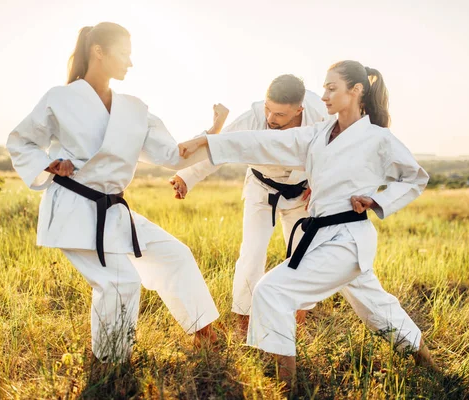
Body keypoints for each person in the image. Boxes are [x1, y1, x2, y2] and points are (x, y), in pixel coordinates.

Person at [179, 60, 437, 387]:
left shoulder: (378, 139)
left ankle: (285, 388)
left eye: (332, 88)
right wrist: (208, 142)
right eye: (325, 87)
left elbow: (416, 178)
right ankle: (432, 367)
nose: (325, 95)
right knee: (378, 310)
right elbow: (262, 143)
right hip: (320, 234)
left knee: (272, 291)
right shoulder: (317, 133)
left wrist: (378, 200)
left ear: (356, 91)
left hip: (347, 237)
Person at [6, 22, 228, 362]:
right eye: (124, 53)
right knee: (120, 283)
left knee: (175, 254)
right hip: (74, 209)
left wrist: (211, 132)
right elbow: (21, 141)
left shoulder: (134, 108)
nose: (130, 62)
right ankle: (111, 364)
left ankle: (204, 334)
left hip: (113, 211)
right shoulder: (60, 98)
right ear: (99, 52)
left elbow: (171, 155)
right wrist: (49, 162)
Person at [170, 75, 330, 334]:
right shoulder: (253, 117)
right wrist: (186, 177)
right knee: (252, 253)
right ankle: (243, 321)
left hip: (302, 192)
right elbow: (220, 149)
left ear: (299, 109)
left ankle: (297, 319)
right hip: (262, 188)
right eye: (268, 108)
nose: (271, 118)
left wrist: (321, 180)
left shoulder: (319, 114)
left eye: (279, 114)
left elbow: (333, 148)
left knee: (305, 255)